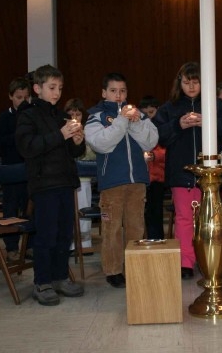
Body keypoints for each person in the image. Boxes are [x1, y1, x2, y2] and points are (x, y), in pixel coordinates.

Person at [152, 62, 222, 280]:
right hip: (181, 173)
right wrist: (178, 125)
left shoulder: (215, 105)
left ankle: (208, 259)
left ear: (204, 83)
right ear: (179, 83)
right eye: (187, 82)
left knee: (208, 219)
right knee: (184, 218)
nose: (191, 87)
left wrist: (208, 122)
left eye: (196, 82)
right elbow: (157, 135)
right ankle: (185, 262)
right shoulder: (170, 107)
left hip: (210, 173)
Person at [16, 64, 86, 306]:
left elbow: (71, 152)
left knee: (65, 233)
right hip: (44, 184)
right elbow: (27, 147)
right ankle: (42, 281)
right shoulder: (27, 116)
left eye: (60, 88)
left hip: (65, 181)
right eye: (52, 87)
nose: (57, 93)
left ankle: (60, 277)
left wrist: (77, 141)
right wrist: (61, 135)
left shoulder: (60, 117)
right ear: (37, 88)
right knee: (47, 234)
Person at [85, 73, 158, 288]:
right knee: (112, 228)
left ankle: (134, 266)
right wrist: (122, 120)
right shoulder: (96, 116)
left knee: (136, 226)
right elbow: (102, 144)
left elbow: (150, 142)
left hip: (137, 180)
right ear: (104, 93)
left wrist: (134, 123)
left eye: (123, 91)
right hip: (112, 181)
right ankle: (113, 270)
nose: (118, 95)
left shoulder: (139, 115)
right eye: (113, 91)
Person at [0, 77, 32, 263]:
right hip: (10, 172)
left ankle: (30, 246)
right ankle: (11, 247)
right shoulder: (5, 117)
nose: (22, 101)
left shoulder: (32, 116)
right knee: (11, 210)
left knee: (30, 208)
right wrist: (18, 135)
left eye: (26, 97)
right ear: (10, 97)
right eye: (18, 97)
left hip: (29, 170)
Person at [63, 98, 96, 253]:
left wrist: (82, 143)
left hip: (83, 178)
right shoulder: (63, 131)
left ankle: (85, 244)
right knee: (68, 211)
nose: (75, 117)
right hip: (67, 177)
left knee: (84, 210)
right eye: (71, 115)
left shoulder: (88, 130)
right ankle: (70, 244)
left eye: (78, 114)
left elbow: (93, 153)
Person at [138, 95, 166, 240]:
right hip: (141, 177)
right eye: (145, 113)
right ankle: (144, 239)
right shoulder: (137, 127)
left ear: (158, 110)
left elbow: (167, 151)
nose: (148, 116)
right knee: (142, 212)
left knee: (156, 211)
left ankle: (157, 239)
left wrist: (155, 155)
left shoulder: (161, 127)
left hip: (157, 177)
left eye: (151, 112)